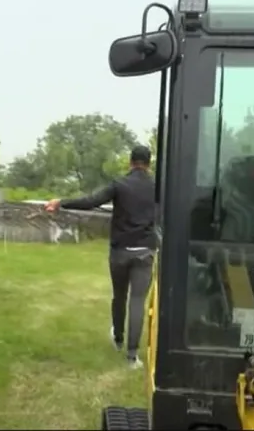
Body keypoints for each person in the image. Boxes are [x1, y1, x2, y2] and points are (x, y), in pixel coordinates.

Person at [44, 145, 157, 369]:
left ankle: (118, 340)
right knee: (137, 302)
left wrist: (61, 202)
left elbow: (91, 201)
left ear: (130, 161)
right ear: (149, 163)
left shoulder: (119, 184)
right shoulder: (158, 188)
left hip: (120, 252)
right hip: (144, 251)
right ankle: (132, 356)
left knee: (119, 296)